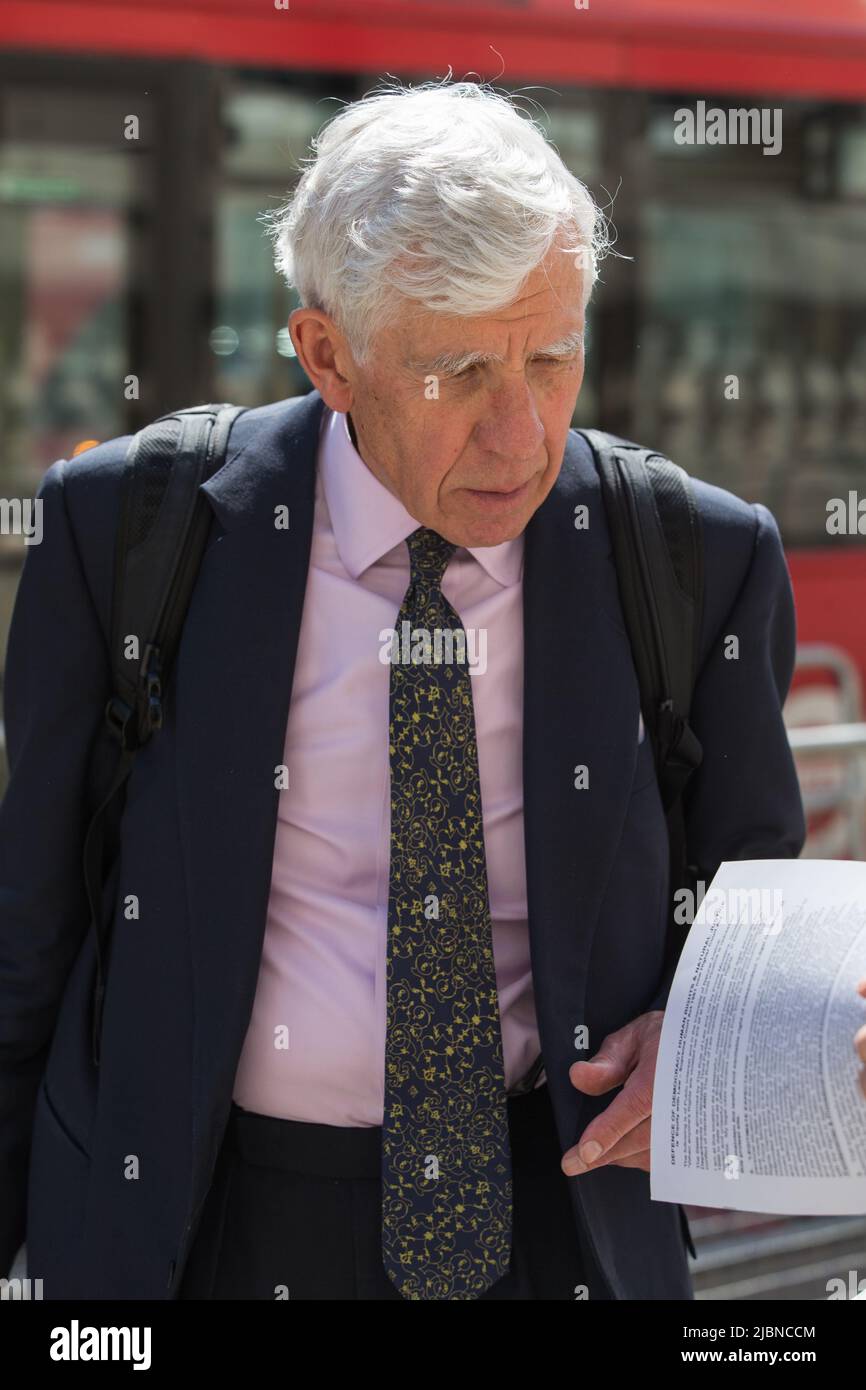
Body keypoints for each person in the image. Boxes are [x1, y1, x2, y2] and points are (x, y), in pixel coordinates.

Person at [0, 79, 806, 1301]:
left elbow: (755, 919)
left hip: (558, 1223)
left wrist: (702, 1043)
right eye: (460, 373)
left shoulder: (700, 553)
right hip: (201, 1222)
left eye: (551, 357)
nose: (522, 434)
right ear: (327, 355)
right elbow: (31, 932)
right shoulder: (124, 529)